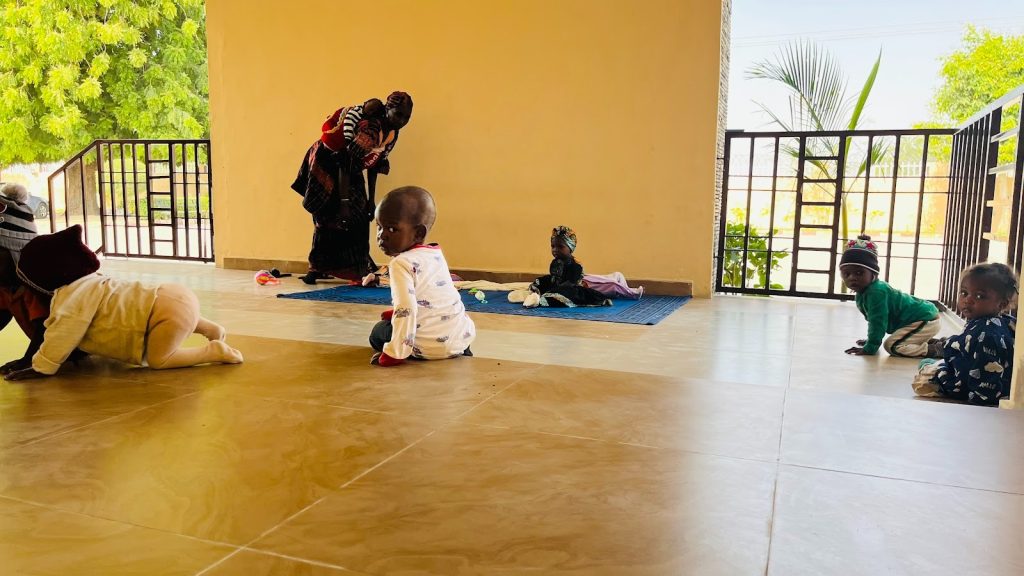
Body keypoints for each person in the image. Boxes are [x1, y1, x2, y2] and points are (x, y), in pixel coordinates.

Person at [3, 225, 243, 381]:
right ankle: (211, 329)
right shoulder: (93, 281)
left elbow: (60, 334)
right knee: (175, 315)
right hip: (174, 296)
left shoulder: (71, 299)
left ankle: (212, 351)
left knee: (160, 359)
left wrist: (41, 366)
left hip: (165, 315)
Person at [291, 91, 414, 285]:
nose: (402, 120)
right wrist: (344, 202)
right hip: (328, 162)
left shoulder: (391, 132)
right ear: (387, 109)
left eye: (406, 117)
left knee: (359, 215)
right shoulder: (371, 128)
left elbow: (373, 165)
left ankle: (356, 269)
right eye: (398, 114)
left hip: (348, 167)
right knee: (328, 215)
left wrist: (371, 201)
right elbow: (345, 161)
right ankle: (316, 268)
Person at [368, 186, 475, 367]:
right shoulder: (435, 254)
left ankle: (412, 350)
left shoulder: (400, 263)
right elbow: (437, 297)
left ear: (418, 233)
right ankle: (460, 349)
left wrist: (395, 353)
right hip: (460, 340)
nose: (382, 236)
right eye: (379, 227)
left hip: (426, 347)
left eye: (392, 229)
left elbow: (406, 308)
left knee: (378, 332)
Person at [913, 263, 1017, 406]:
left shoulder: (986, 334)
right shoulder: (1003, 322)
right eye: (964, 293)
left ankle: (934, 367)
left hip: (966, 385)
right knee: (934, 364)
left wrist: (978, 400)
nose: (968, 300)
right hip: (986, 377)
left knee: (924, 377)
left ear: (1001, 304)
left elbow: (987, 375)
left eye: (980, 296)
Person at [839, 235, 941, 357]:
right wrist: (871, 340)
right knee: (899, 340)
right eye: (846, 274)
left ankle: (937, 350)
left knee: (892, 346)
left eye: (859, 273)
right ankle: (942, 344)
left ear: (873, 274)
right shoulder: (864, 292)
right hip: (922, 318)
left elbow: (878, 322)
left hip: (924, 319)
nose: (852, 277)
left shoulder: (876, 292)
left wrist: (870, 347)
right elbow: (875, 322)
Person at [0, 184, 50, 374]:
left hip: (67, 347)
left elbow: (44, 330)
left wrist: (27, 360)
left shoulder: (33, 288)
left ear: (16, 256)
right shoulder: (6, 288)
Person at [522, 226, 612, 308]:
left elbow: (570, 283)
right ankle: (536, 295)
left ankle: (542, 299)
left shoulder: (576, 265)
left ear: (570, 247)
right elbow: (553, 278)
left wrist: (553, 289)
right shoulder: (554, 262)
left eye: (560, 247)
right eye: (553, 246)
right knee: (541, 281)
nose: (555, 250)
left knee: (566, 292)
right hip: (557, 286)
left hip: (571, 289)